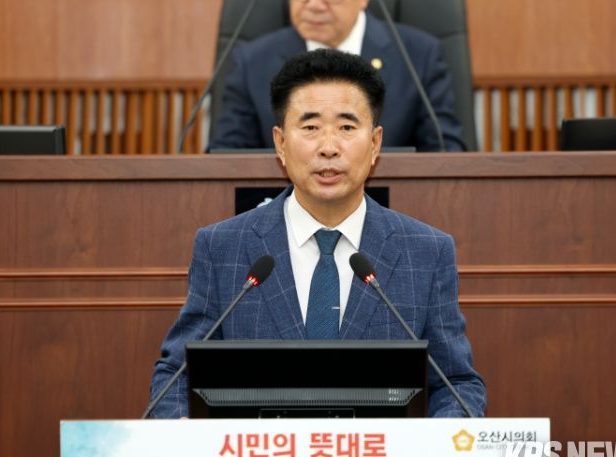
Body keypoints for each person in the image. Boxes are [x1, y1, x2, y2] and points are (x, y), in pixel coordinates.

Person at [149, 49, 485, 418]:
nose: (328, 148)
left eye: (346, 128)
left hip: (376, 456)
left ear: (375, 144)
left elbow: (456, 384)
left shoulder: (425, 252)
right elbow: (175, 376)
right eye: (310, 128)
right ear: (280, 144)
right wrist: (179, 431)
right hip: (262, 455)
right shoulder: (223, 248)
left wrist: (438, 441)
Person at [209, 0, 465, 152]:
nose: (313, 5)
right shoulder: (251, 62)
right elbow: (227, 158)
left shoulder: (418, 55)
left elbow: (445, 153)